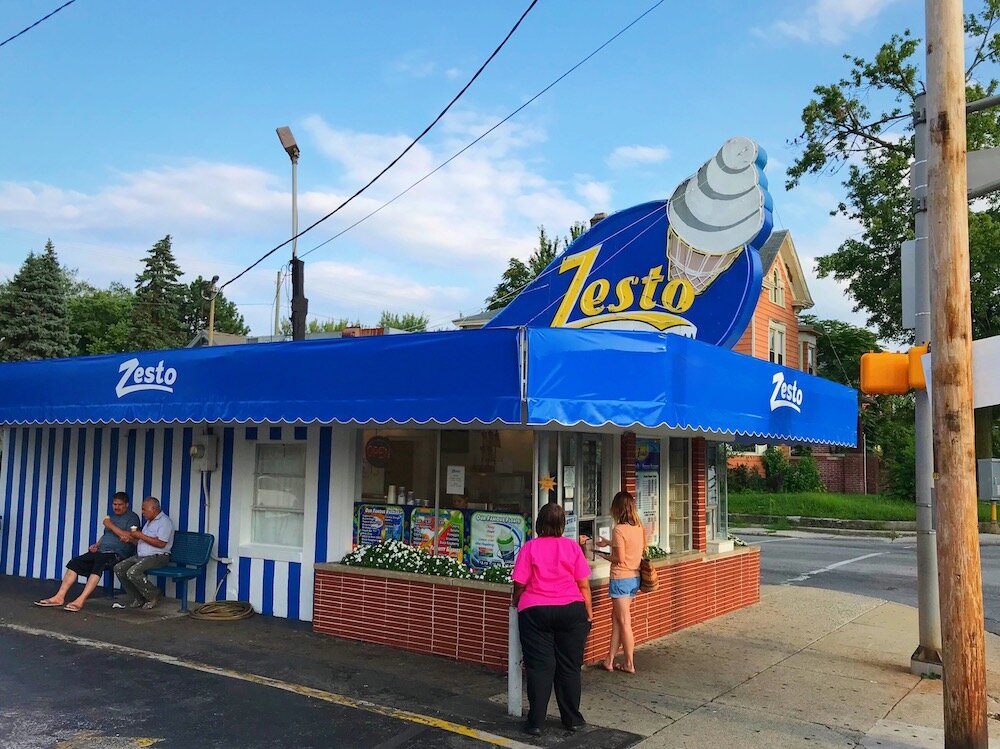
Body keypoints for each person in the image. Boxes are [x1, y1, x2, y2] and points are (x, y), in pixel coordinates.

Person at [512, 503, 593, 736]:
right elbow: (584, 585)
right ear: (562, 525)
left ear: (539, 523)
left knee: (540, 667)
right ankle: (572, 719)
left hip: (536, 611)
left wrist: (515, 602)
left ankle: (536, 722)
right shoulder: (572, 548)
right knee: (569, 667)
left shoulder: (530, 548)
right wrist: (589, 613)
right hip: (571, 610)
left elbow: (520, 583)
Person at [33, 491, 140, 612]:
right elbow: (106, 535)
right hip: (101, 550)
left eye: (120, 504)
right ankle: (59, 597)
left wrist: (110, 525)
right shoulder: (112, 517)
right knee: (75, 562)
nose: (117, 507)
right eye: (114, 504)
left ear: (127, 505)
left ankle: (80, 600)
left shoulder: (132, 517)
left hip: (117, 553)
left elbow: (131, 537)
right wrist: (97, 544)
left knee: (98, 564)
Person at [594, 490, 645, 674]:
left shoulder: (619, 529)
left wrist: (602, 554)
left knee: (624, 621)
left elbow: (619, 558)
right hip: (634, 578)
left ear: (617, 508)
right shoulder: (638, 527)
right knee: (616, 619)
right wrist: (609, 542)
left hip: (621, 578)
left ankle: (629, 663)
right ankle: (609, 659)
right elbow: (632, 549)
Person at [113, 496, 174, 610]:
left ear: (154, 509)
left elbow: (161, 543)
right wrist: (131, 539)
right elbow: (142, 542)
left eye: (144, 509)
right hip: (142, 555)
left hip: (158, 556)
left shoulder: (165, 522)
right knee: (119, 568)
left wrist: (140, 535)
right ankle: (138, 597)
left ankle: (154, 595)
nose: (143, 512)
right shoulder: (149, 522)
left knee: (133, 572)